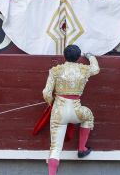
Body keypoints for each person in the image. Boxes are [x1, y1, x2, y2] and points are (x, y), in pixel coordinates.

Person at [42, 44, 99, 175]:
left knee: (55, 148)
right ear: (79, 57)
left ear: (64, 56)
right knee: (88, 115)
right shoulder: (84, 70)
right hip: (76, 111)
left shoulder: (56, 71)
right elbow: (96, 69)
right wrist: (90, 56)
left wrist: (52, 103)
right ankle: (82, 148)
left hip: (58, 112)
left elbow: (46, 93)